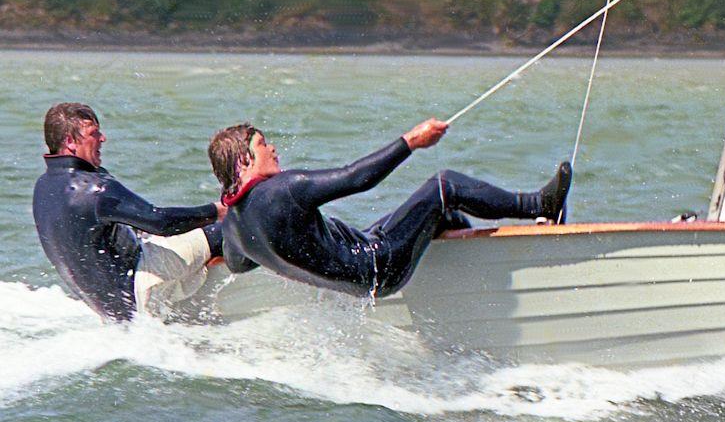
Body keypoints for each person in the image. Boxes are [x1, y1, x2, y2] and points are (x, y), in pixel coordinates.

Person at [208, 118, 571, 298]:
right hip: (379, 264)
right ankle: (540, 206)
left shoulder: (235, 230)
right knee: (445, 186)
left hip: (362, 279)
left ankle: (461, 247)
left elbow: (238, 265)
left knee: (435, 214)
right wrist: (410, 141)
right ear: (244, 160)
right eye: (263, 144)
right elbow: (355, 178)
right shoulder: (281, 191)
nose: (273, 149)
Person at [32, 103, 226, 321]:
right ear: (70, 142)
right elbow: (159, 221)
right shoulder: (95, 189)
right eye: (93, 133)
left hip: (111, 309)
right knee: (223, 231)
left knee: (181, 237)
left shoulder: (43, 187)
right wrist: (216, 210)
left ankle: (200, 279)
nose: (102, 138)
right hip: (138, 289)